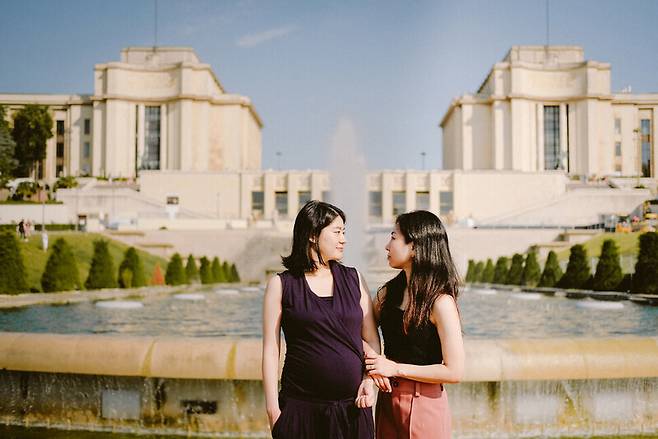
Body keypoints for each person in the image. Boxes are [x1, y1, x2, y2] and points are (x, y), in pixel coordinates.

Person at [262, 200, 383, 439]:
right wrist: (273, 410)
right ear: (313, 235)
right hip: (300, 410)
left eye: (344, 232)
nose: (343, 239)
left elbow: (371, 339)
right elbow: (270, 350)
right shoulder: (281, 284)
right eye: (337, 232)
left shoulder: (354, 278)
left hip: (354, 409)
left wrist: (369, 380)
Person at [365, 210, 464, 439]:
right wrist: (371, 361)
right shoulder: (387, 293)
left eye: (393, 236)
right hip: (387, 399)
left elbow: (454, 370)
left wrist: (394, 368)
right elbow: (357, 330)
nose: (386, 246)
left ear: (415, 247)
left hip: (425, 404)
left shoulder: (441, 302)